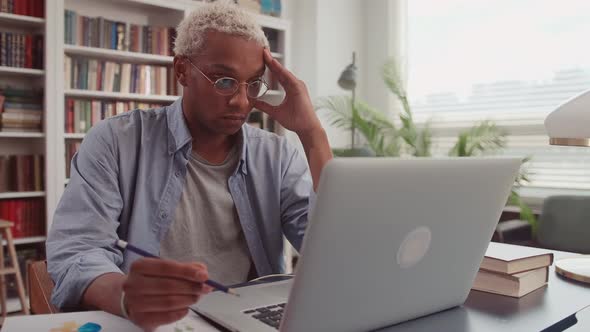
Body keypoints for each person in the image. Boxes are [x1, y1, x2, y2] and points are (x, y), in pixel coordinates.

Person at [46, 1, 333, 331]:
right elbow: (77, 251)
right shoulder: (116, 141)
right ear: (182, 71)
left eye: (253, 83)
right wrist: (125, 294)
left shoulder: (277, 156)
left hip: (248, 320)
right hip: (155, 324)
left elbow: (332, 254)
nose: (241, 101)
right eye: (224, 81)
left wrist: (313, 136)